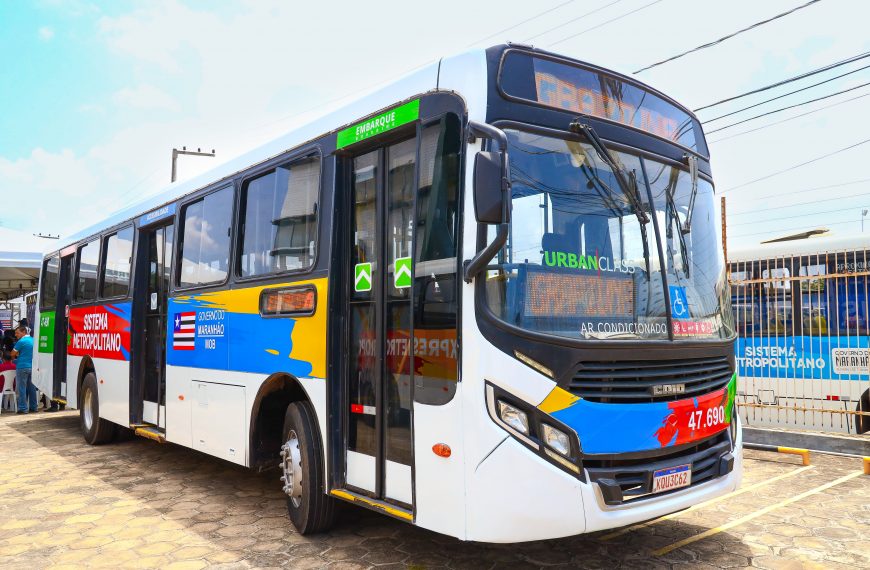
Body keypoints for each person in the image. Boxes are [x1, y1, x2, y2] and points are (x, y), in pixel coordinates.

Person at [11, 325, 36, 414]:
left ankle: (23, 408)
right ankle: (33, 407)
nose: (15, 335)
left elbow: (12, 354)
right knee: (32, 388)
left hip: (22, 367)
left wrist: (17, 356)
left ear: (24, 332)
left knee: (21, 388)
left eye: (17, 333)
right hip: (32, 366)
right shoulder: (33, 340)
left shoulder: (21, 341)